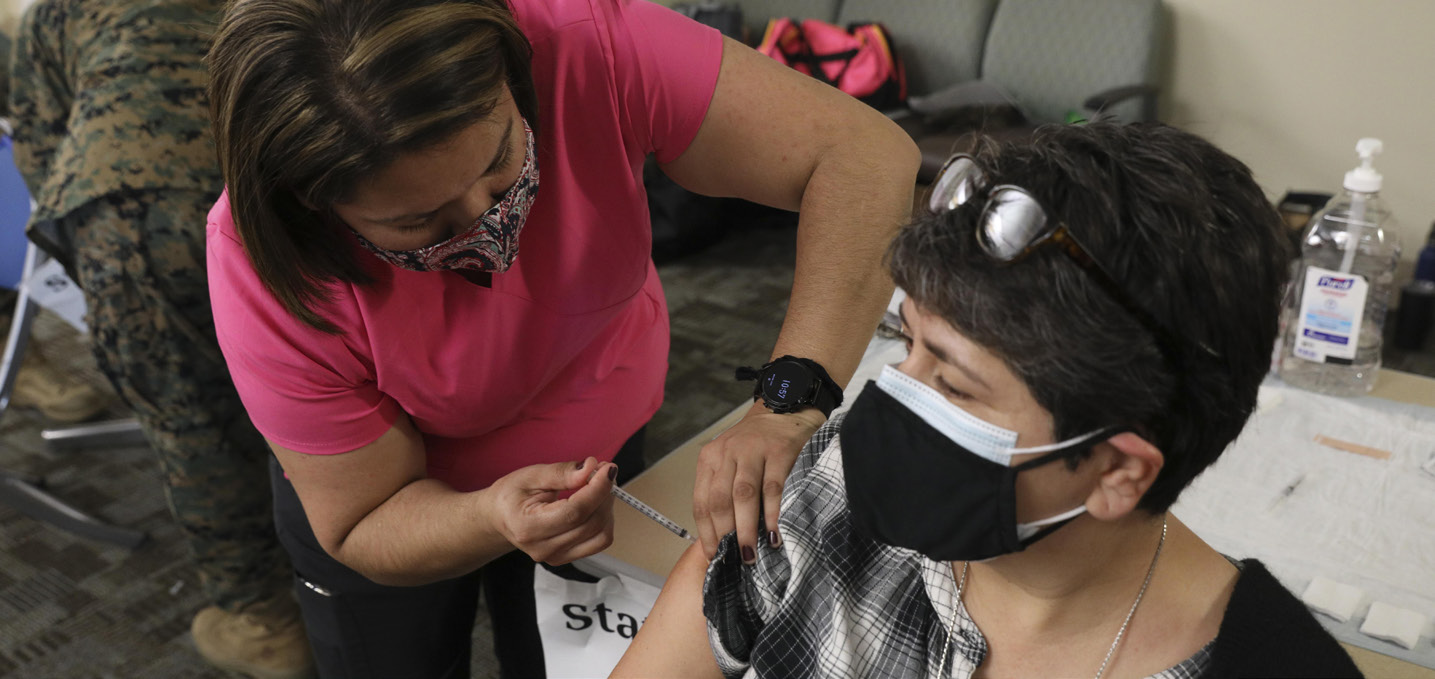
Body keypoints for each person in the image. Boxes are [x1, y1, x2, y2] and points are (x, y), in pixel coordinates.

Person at [203, 0, 919, 675]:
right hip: (377, 502)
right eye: (419, 221)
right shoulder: (260, 261)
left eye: (496, 164)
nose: (487, 222)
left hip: (595, 443)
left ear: (513, 77)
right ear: (314, 202)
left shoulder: (586, 44)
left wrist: (788, 400)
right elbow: (362, 521)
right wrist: (487, 515)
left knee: (564, 655)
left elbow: (861, 156)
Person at [613, 122, 1364, 678]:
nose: (888, 400)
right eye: (901, 342)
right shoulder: (825, 494)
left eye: (952, 382)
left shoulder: (1269, 664)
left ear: (1115, 472)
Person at [7, 1, 314, 677]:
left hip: (142, 203)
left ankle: (263, 622)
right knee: (327, 381)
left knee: (193, 420)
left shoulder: (55, 11)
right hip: (301, 179)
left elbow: (38, 142)